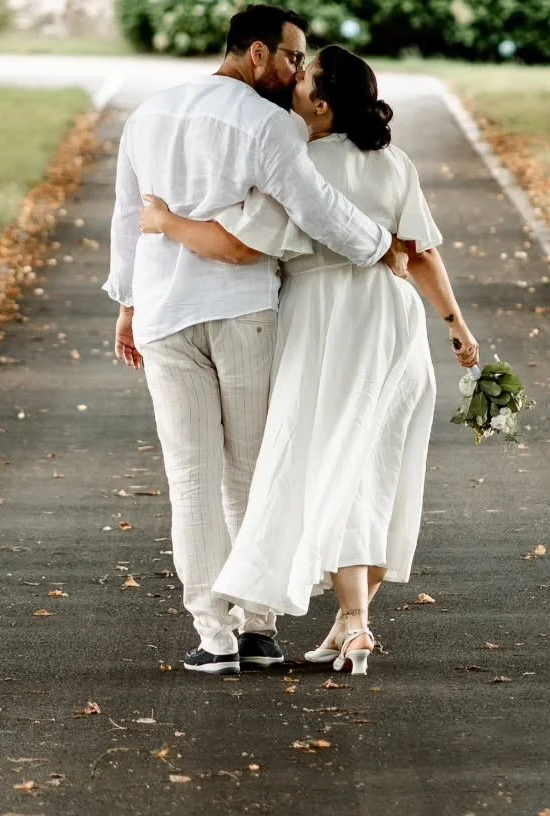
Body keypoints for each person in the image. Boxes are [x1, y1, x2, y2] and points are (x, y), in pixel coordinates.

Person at [138, 44, 478, 676]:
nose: (293, 80)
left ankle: (354, 620)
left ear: (320, 104)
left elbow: (240, 246)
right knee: (379, 461)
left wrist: (165, 222)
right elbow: (420, 253)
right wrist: (456, 327)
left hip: (326, 319)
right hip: (394, 315)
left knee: (331, 458)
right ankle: (349, 622)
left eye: (305, 76)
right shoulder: (393, 162)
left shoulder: (298, 166)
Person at [105, 4, 406, 677]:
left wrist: (127, 303)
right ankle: (259, 628)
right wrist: (378, 246)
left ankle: (213, 635)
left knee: (191, 478)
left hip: (163, 313)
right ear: (259, 53)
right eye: (294, 57)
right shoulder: (269, 124)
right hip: (241, 309)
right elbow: (315, 205)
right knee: (251, 470)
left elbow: (128, 215)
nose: (299, 71)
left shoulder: (148, 114)